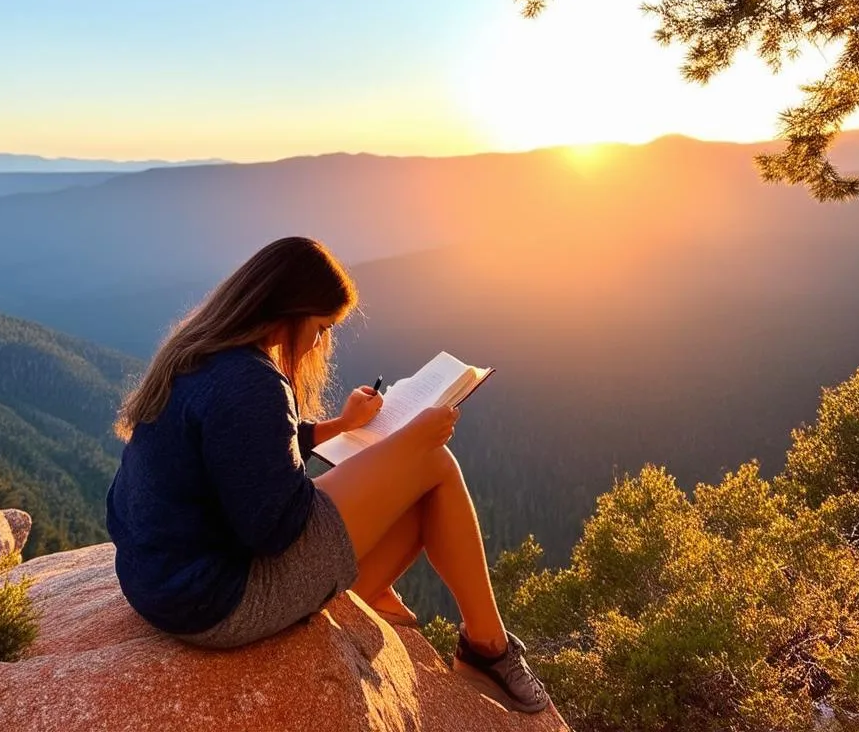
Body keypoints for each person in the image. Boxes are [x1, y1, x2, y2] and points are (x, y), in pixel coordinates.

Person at [105, 235, 553, 714]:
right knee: (434, 465)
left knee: (417, 486)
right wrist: (409, 442)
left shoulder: (198, 353)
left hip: (162, 583)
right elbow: (275, 530)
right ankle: (488, 648)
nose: (320, 341)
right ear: (291, 311)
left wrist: (338, 428)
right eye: (320, 327)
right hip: (215, 602)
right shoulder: (252, 382)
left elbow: (238, 455)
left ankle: (402, 605)